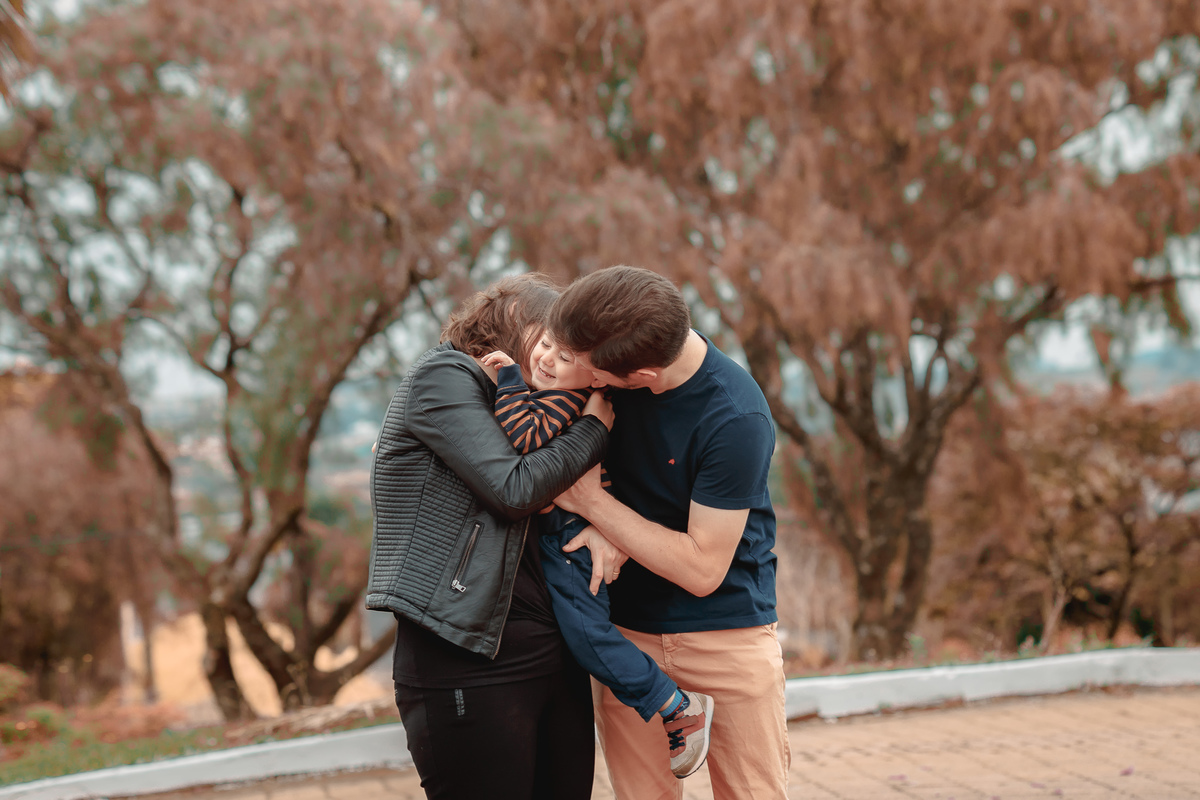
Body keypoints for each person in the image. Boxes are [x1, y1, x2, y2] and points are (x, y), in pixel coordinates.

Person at [366, 274, 612, 800]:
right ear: (511, 325)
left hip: (552, 650)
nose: (555, 356)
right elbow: (514, 488)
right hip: (465, 652)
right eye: (546, 338)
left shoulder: (530, 405)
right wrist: (595, 428)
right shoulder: (442, 374)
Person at [549, 266, 790, 799]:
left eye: (584, 368)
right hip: (626, 637)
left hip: (725, 637)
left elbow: (701, 569)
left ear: (641, 377)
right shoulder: (609, 358)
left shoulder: (735, 418)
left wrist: (592, 503)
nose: (571, 372)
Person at [481, 328, 715, 780]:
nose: (547, 359)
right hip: (562, 534)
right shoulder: (562, 395)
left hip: (569, 540)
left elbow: (524, 438)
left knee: (587, 638)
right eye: (546, 345)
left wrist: (509, 379)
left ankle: (677, 706)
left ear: (593, 376)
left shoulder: (566, 403)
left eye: (565, 357)